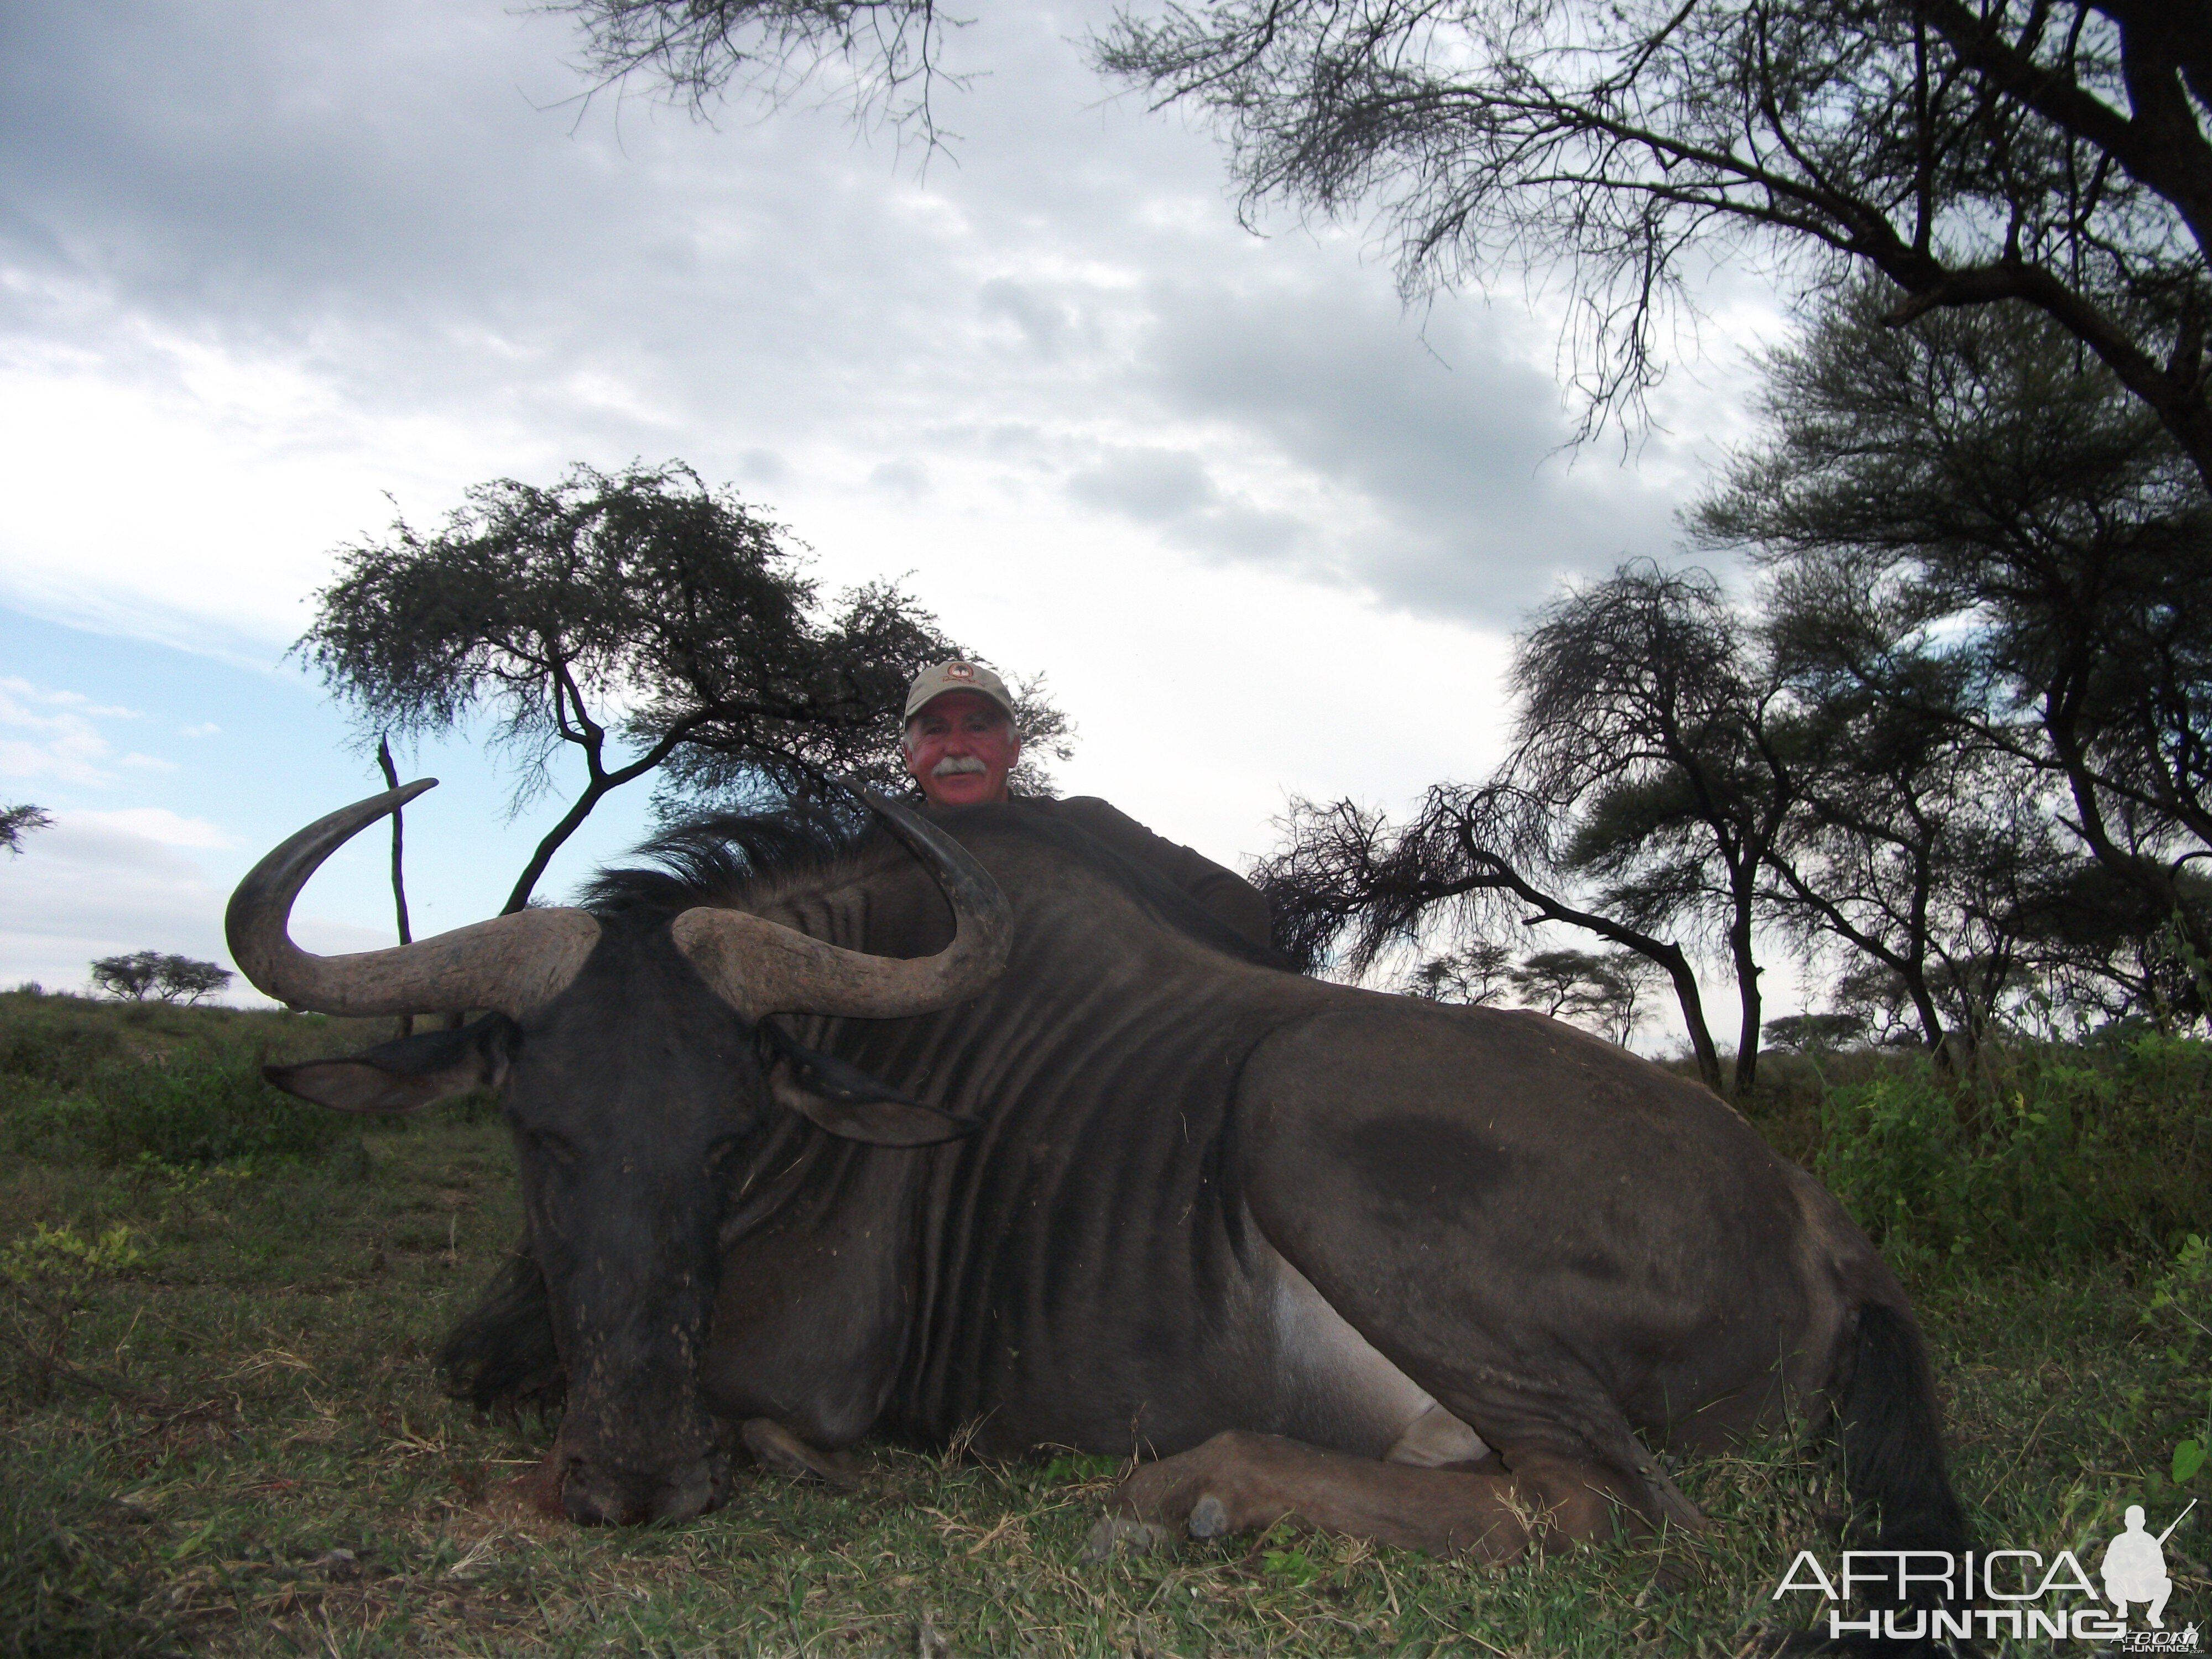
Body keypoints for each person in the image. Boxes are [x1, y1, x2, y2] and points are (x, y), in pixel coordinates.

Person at [900, 659, 1275, 954]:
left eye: (978, 727)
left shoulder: (1086, 825)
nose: (957, 748)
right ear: (909, 756)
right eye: (935, 730)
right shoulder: (881, 853)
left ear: (1013, 750)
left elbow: (1233, 901)